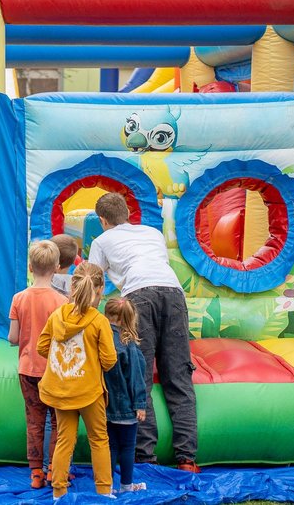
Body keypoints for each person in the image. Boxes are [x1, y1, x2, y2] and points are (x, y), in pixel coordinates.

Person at [88, 192, 198, 471]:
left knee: (140, 374)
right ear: (128, 213)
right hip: (173, 293)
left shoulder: (102, 240)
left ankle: (145, 456)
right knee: (179, 376)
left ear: (102, 220)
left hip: (140, 296)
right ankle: (187, 458)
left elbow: (92, 282)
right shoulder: (152, 233)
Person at [38, 262, 117, 499]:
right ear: (100, 290)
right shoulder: (99, 321)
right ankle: (104, 491)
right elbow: (110, 359)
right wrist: (92, 365)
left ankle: (58, 492)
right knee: (99, 439)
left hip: (61, 390)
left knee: (64, 439)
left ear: (72, 286)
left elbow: (43, 346)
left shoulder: (57, 316)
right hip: (89, 392)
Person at [8, 240, 68, 489]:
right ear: (56, 267)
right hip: (54, 371)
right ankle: (55, 468)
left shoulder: (19, 298)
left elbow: (13, 337)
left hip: (28, 368)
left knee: (34, 420)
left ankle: (35, 473)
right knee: (58, 421)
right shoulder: (62, 302)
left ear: (30, 267)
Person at [103, 297, 148, 493]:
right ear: (125, 320)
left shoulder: (102, 339)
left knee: (111, 446)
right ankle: (126, 486)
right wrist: (140, 403)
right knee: (128, 447)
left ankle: (108, 486)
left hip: (106, 405)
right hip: (127, 407)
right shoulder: (128, 344)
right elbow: (136, 376)